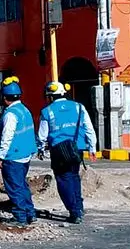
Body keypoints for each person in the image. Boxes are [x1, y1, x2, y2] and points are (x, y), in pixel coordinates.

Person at [37, 81, 97, 224]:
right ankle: (79, 207)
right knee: (74, 177)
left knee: (64, 179)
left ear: (50, 96)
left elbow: (42, 135)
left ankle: (74, 212)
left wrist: (40, 149)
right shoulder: (79, 107)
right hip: (77, 149)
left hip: (58, 151)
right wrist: (92, 148)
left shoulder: (47, 111)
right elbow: (89, 128)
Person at [0, 77, 38, 228]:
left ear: (4, 98)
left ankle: (20, 217)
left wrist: (0, 157)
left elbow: (7, 137)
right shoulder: (24, 110)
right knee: (22, 185)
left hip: (13, 156)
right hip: (25, 155)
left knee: (14, 187)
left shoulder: (10, 114)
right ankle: (30, 213)